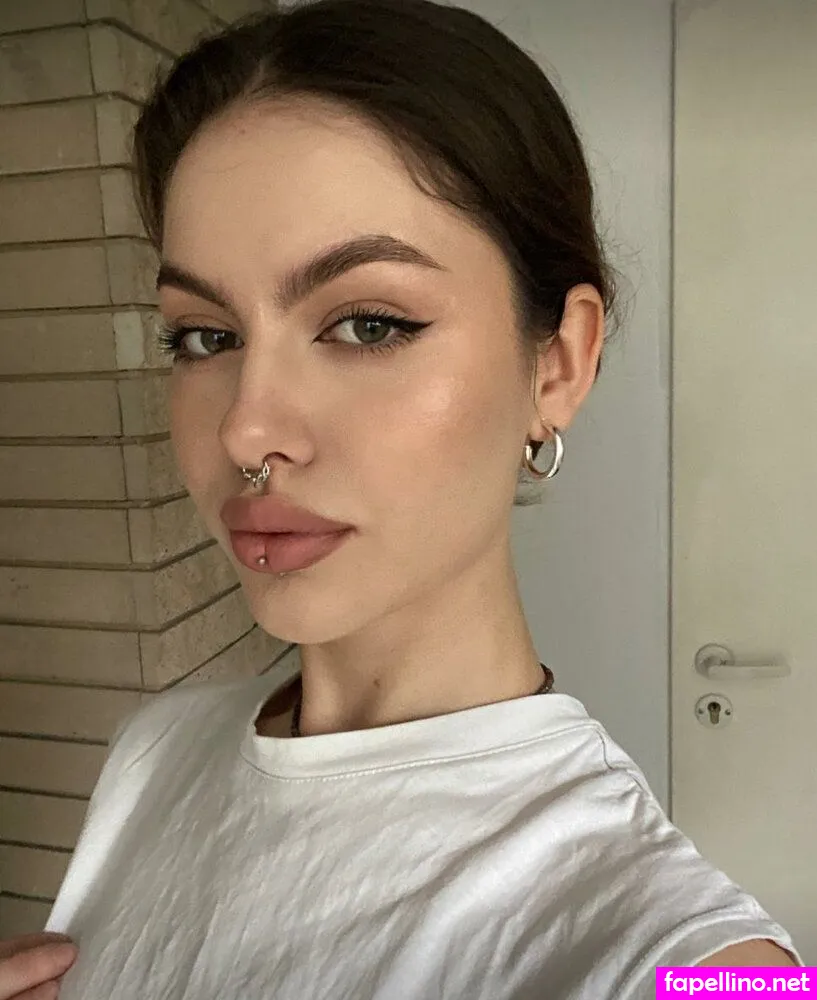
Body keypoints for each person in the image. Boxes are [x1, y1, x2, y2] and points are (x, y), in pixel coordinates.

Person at [2, 1, 803, 997]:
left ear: (558, 361)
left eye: (369, 325)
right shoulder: (153, 752)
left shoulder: (693, 960)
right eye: (205, 337)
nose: (246, 431)